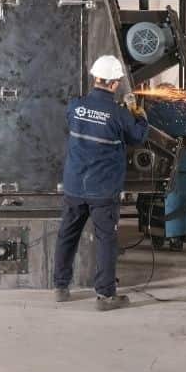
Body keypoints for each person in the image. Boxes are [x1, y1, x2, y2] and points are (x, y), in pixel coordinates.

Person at [53, 55, 149, 311]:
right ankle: (105, 296)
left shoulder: (76, 105)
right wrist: (139, 115)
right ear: (115, 83)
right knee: (106, 240)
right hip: (103, 189)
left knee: (67, 234)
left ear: (96, 78)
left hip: (75, 185)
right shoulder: (118, 114)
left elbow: (76, 124)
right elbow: (138, 136)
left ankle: (60, 287)